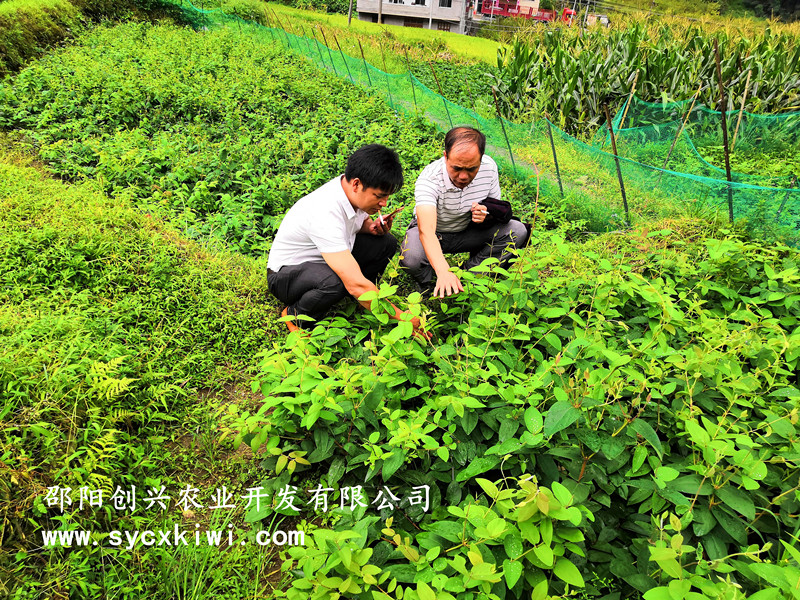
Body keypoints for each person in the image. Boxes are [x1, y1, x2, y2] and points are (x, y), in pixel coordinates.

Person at [267, 144, 423, 334]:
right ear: (356, 184)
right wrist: (402, 317)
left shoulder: (348, 190)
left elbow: (357, 222)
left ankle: (362, 299)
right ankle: (295, 315)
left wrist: (371, 227)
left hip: (323, 261)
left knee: (386, 243)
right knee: (337, 281)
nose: (384, 204)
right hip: (286, 277)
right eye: (379, 196)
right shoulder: (324, 211)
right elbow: (354, 282)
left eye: (387, 197)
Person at [399, 126, 528, 298]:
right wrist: (444, 271)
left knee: (517, 231)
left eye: (471, 169)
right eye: (457, 168)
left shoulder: (489, 168)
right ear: (445, 156)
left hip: (468, 231)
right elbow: (426, 231)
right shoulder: (429, 179)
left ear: (481, 160)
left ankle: (468, 280)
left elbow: (494, 207)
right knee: (411, 257)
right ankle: (431, 284)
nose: (463, 176)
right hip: (435, 233)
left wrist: (486, 214)